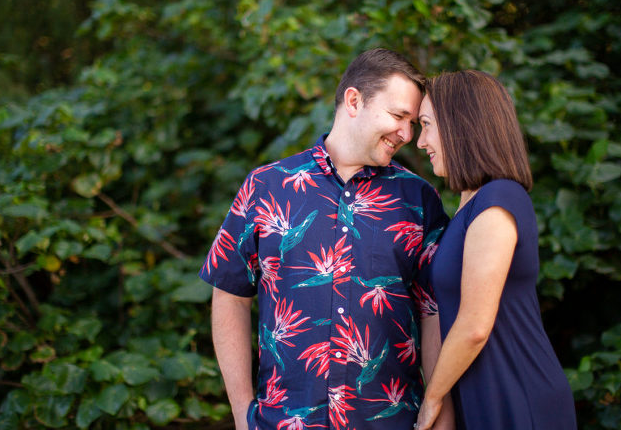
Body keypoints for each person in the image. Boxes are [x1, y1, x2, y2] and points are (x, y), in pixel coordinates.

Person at [199, 48, 453, 430]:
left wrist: (439, 413)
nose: (408, 134)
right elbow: (229, 292)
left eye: (414, 122)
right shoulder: (267, 187)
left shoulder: (419, 200)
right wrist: (241, 412)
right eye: (399, 116)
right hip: (283, 422)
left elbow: (433, 314)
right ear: (354, 101)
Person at [414, 70, 577, 429]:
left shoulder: (498, 199)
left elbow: (474, 325)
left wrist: (432, 398)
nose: (420, 141)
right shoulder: (469, 203)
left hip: (517, 393)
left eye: (426, 124)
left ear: (461, 124)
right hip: (486, 392)